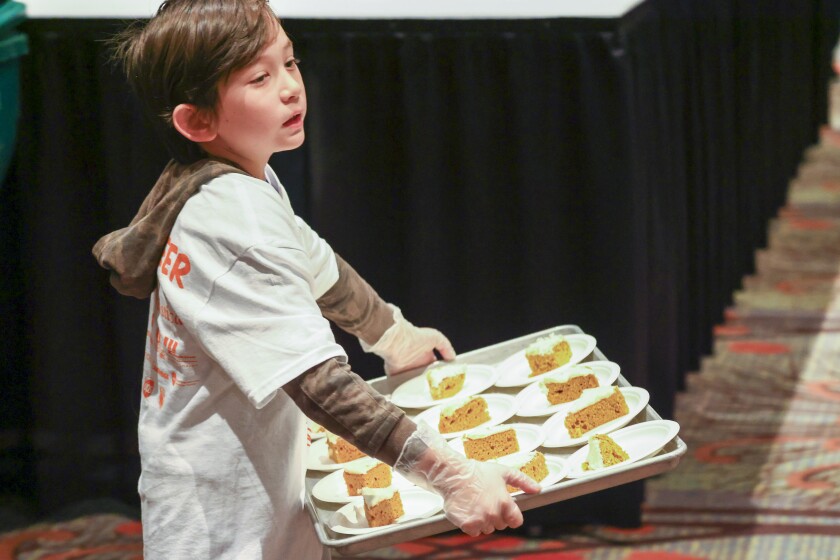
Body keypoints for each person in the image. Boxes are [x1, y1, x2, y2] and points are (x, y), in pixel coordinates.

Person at [91, 1, 540, 558]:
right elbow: (317, 382)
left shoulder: (232, 183)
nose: (290, 88)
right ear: (197, 120)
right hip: (221, 521)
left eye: (290, 63)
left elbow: (319, 267)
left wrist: (394, 336)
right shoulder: (232, 221)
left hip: (257, 480)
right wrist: (450, 476)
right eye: (259, 77)